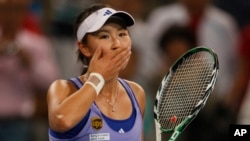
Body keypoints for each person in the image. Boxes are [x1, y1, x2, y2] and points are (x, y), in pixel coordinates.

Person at [47, 3, 146, 141]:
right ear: (84, 48)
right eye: (105, 36)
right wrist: (98, 77)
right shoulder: (62, 89)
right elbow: (62, 120)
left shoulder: (136, 93)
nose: (117, 43)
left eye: (122, 34)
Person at [0, 0, 59, 141]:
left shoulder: (36, 44)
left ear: (23, 14)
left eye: (16, 11)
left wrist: (30, 64)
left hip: (18, 121)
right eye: (5, 11)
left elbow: (51, 82)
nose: (10, 16)